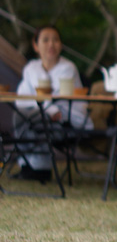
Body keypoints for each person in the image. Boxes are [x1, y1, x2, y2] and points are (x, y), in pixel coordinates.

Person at [14, 25, 92, 182]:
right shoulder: (31, 68)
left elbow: (58, 97)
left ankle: (38, 168)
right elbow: (22, 98)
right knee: (23, 116)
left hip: (66, 120)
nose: (51, 44)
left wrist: (49, 109)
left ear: (61, 45)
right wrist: (49, 110)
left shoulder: (68, 68)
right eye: (45, 40)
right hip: (41, 116)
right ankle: (30, 166)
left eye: (55, 40)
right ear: (35, 45)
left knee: (29, 120)